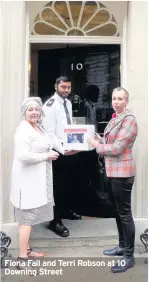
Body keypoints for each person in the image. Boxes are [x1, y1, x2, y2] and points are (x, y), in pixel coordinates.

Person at [88, 87, 138, 273]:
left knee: (125, 214)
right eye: (114, 98)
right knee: (117, 212)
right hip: (112, 172)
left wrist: (97, 146)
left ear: (126, 101)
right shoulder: (116, 117)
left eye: (120, 99)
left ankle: (129, 256)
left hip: (122, 174)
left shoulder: (129, 120)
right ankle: (122, 246)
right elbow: (110, 142)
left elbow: (117, 148)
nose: (116, 102)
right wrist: (98, 138)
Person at [10, 97, 64, 267]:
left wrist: (63, 149)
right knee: (26, 219)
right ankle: (22, 259)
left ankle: (26, 250)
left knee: (29, 219)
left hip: (36, 181)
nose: (34, 112)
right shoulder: (23, 130)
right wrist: (46, 156)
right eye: (30, 110)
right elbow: (23, 156)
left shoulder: (38, 126)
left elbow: (50, 142)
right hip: (27, 182)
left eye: (37, 110)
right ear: (24, 113)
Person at [42, 76, 81, 238]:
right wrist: (63, 150)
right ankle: (55, 221)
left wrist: (76, 143)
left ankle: (65, 211)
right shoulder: (49, 106)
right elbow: (50, 134)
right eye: (63, 87)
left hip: (69, 149)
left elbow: (68, 127)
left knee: (69, 183)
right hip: (58, 152)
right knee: (56, 188)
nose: (66, 90)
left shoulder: (68, 103)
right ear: (56, 86)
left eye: (68, 88)